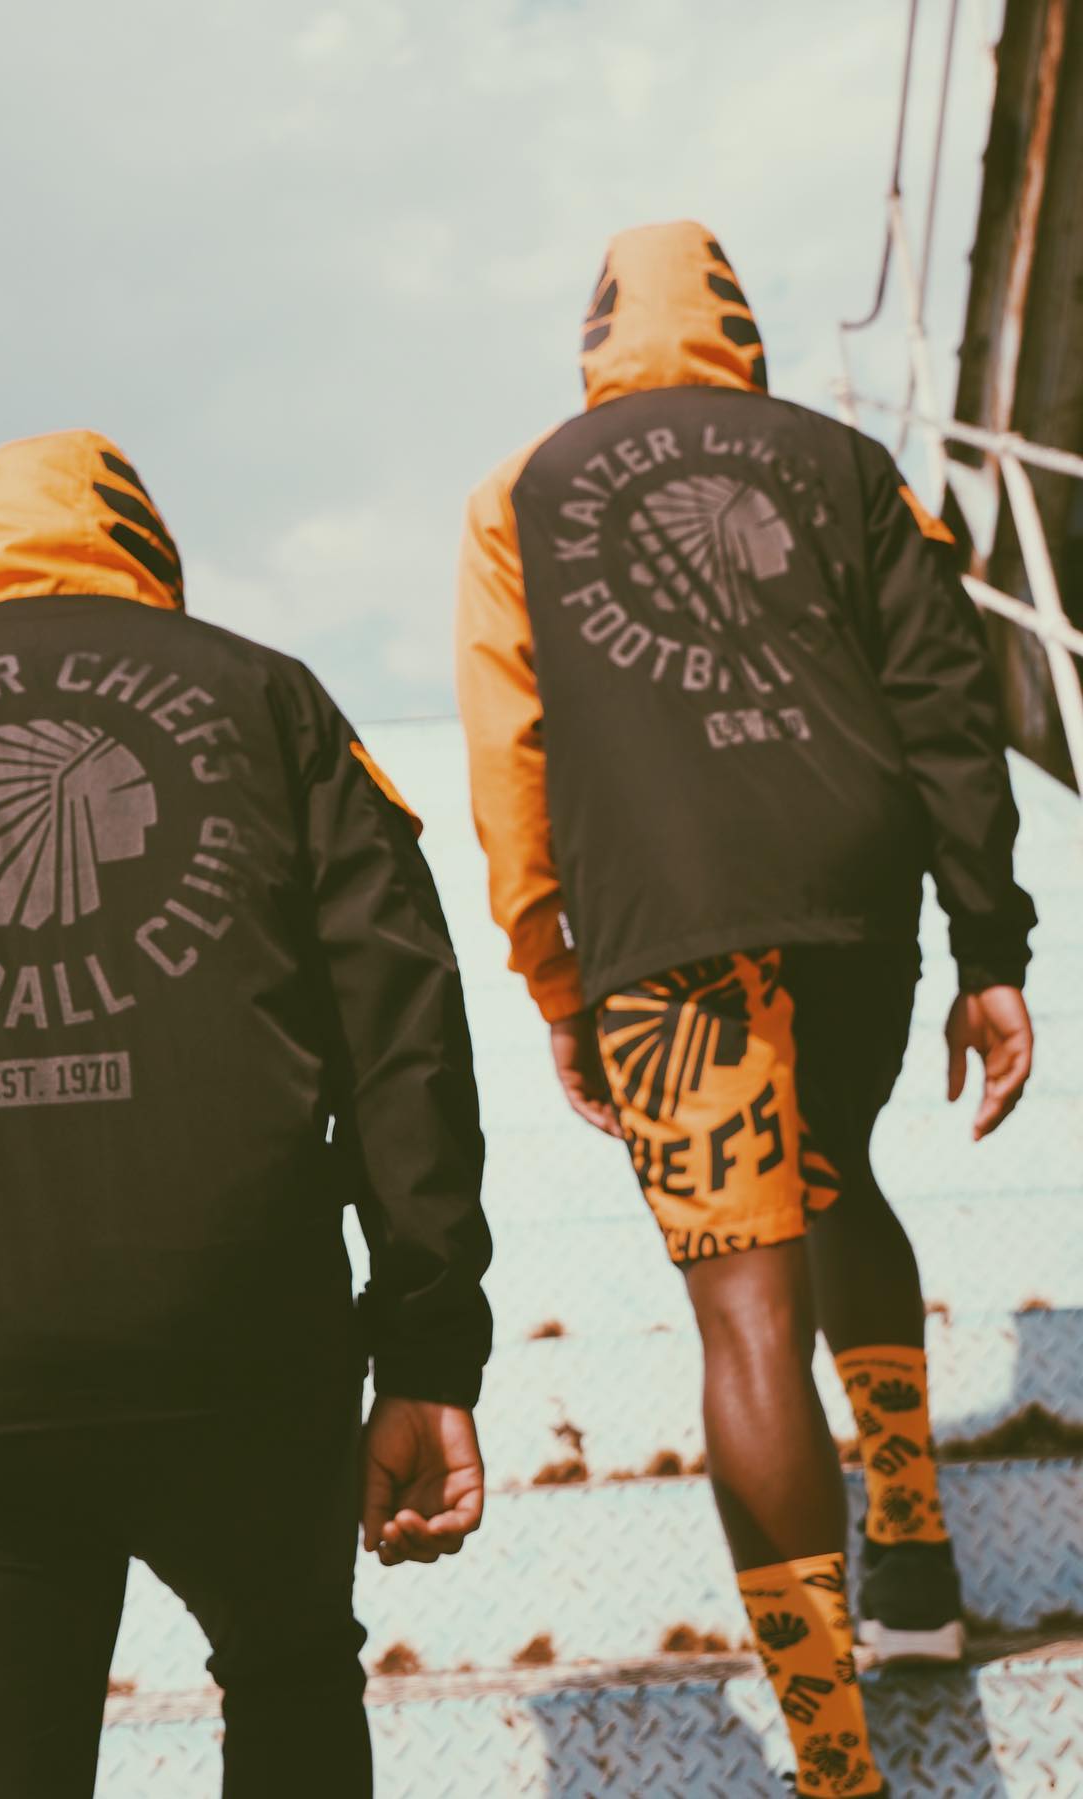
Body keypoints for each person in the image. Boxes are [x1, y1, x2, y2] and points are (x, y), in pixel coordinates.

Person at [0, 428, 492, 1799]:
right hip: (240, 1351)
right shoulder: (273, 701)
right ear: (149, 557)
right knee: (291, 1680)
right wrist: (428, 1352)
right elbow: (404, 1030)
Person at [455, 220, 1036, 1799]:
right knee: (838, 1175)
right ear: (741, 330)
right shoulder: (848, 465)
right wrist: (990, 947)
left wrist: (551, 967)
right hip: (852, 898)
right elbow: (946, 700)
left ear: (595, 338)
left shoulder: (521, 491)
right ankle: (910, 1545)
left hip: (664, 926)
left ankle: (838, 1767)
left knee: (746, 1309)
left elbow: (509, 745)